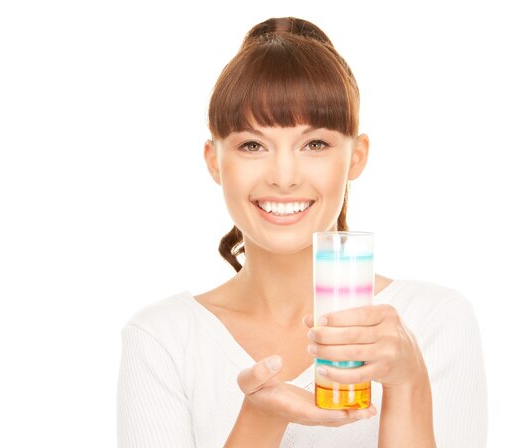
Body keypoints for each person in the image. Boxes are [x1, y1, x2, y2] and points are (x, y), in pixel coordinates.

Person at [117, 17, 487, 448]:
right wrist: (260, 419)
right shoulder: (162, 339)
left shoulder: (436, 320)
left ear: (356, 157)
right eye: (252, 145)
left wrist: (409, 386)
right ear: (214, 161)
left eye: (315, 144)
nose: (285, 177)